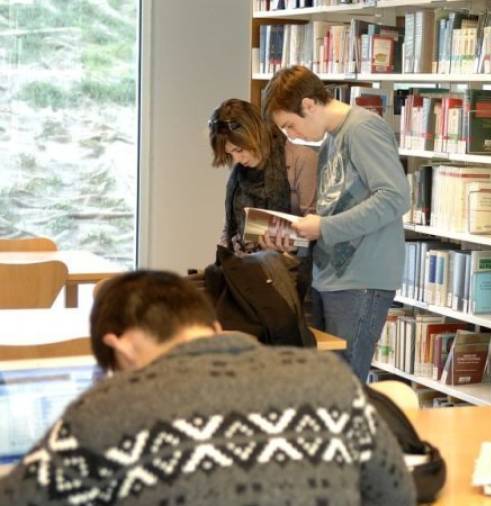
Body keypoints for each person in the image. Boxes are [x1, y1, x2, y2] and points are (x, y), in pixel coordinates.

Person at [0, 271, 416, 506]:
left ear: (119, 346)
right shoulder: (330, 381)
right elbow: (394, 496)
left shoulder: (105, 412)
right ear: (214, 328)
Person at [262, 66, 410, 382]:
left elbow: (395, 198)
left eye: (290, 125)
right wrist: (298, 236)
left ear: (309, 105)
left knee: (343, 386)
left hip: (361, 280)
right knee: (324, 384)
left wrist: (324, 228)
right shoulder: (331, 140)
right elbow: (335, 208)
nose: (292, 136)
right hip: (329, 277)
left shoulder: (363, 130)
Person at [209, 98, 317, 254]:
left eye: (239, 150)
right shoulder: (239, 171)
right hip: (244, 266)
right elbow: (230, 227)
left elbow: (317, 233)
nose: (237, 160)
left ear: (255, 135)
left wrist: (290, 245)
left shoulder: (302, 159)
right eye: (230, 153)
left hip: (291, 269)